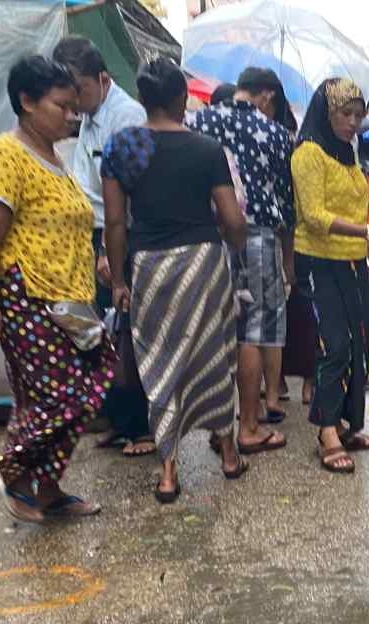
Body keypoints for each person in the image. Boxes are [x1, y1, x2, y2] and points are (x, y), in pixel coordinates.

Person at [0, 56, 116, 522]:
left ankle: (49, 488)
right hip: (28, 294)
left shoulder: (56, 158)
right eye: (61, 106)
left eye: (74, 107)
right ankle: (15, 472)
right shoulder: (5, 154)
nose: (71, 116)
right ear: (27, 102)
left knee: (94, 377)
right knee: (61, 395)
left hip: (70, 298)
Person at [101, 58, 249, 503]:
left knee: (161, 361)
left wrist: (119, 280)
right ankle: (228, 455)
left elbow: (115, 223)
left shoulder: (121, 147)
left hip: (150, 266)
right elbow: (233, 220)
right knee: (215, 355)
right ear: (183, 99)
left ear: (142, 98)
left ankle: (168, 472)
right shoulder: (207, 149)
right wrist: (233, 247)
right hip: (203, 263)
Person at [291, 78, 369, 473]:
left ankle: (347, 424)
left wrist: (366, 244)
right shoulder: (308, 154)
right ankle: (327, 431)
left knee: (358, 342)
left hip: (353, 261)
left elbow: (352, 208)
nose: (354, 122)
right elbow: (314, 217)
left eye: (359, 114)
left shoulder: (347, 154)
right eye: (346, 114)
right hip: (319, 262)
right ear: (327, 113)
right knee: (334, 345)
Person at [52, 36, 153, 458]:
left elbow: (128, 194)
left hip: (118, 236)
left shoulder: (126, 116)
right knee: (101, 331)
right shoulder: (91, 116)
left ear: (103, 78)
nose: (74, 101)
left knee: (128, 331)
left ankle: (142, 428)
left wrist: (110, 252)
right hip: (93, 235)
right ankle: (117, 418)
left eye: (80, 89)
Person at [189, 66, 295, 452]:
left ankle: (220, 428)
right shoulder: (275, 133)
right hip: (258, 237)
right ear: (267, 95)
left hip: (208, 237)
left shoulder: (198, 122)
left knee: (218, 331)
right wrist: (288, 261)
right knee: (253, 332)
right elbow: (286, 203)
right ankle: (249, 427)